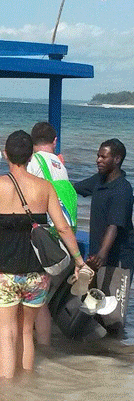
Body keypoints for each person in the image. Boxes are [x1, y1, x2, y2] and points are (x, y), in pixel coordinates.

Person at [0, 130, 88, 379]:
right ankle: (28, 389)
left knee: (7, 336)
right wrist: (78, 260)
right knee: (24, 332)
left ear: (6, 154)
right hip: (35, 271)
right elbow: (62, 227)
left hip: (2, 271)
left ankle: (7, 393)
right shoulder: (45, 187)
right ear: (31, 155)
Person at [74, 138, 134, 333]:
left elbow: (114, 226)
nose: (98, 160)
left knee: (114, 316)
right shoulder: (99, 182)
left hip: (118, 260)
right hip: (97, 258)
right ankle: (97, 357)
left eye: (103, 156)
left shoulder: (122, 189)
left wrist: (101, 254)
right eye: (98, 155)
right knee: (97, 308)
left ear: (116, 159)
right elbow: (75, 187)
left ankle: (118, 356)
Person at [26, 122, 77, 345]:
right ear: (54, 141)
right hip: (61, 238)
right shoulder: (60, 163)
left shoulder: (33, 162)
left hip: (41, 237)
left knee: (32, 299)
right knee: (41, 298)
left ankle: (29, 343)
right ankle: (45, 345)